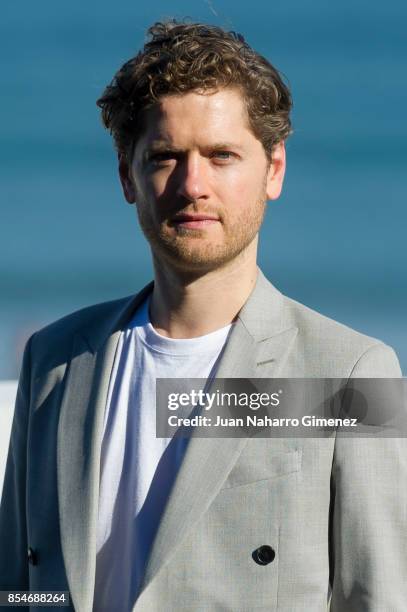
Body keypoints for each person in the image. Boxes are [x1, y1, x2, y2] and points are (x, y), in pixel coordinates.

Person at [0, 19, 405, 612]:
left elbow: (380, 595)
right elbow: (18, 584)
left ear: (273, 171)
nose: (193, 184)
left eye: (222, 156)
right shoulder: (57, 359)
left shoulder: (352, 373)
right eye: (166, 156)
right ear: (126, 175)